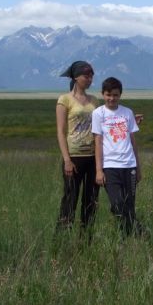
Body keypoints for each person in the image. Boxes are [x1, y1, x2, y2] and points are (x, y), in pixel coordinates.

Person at [92, 76, 143, 236]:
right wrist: (99, 170)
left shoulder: (127, 112)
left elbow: (132, 140)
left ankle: (127, 238)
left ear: (120, 95)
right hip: (110, 166)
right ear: (103, 94)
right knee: (117, 203)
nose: (111, 98)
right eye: (108, 95)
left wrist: (138, 167)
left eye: (115, 95)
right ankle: (140, 231)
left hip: (129, 165)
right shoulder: (98, 113)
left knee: (129, 204)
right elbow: (98, 142)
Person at [56, 60, 99, 230]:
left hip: (93, 156)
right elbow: (60, 131)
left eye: (91, 76)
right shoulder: (64, 100)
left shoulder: (94, 100)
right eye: (86, 76)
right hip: (74, 156)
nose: (89, 79)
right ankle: (62, 236)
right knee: (70, 198)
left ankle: (86, 237)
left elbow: (103, 125)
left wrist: (129, 120)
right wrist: (67, 159)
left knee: (91, 199)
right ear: (75, 77)